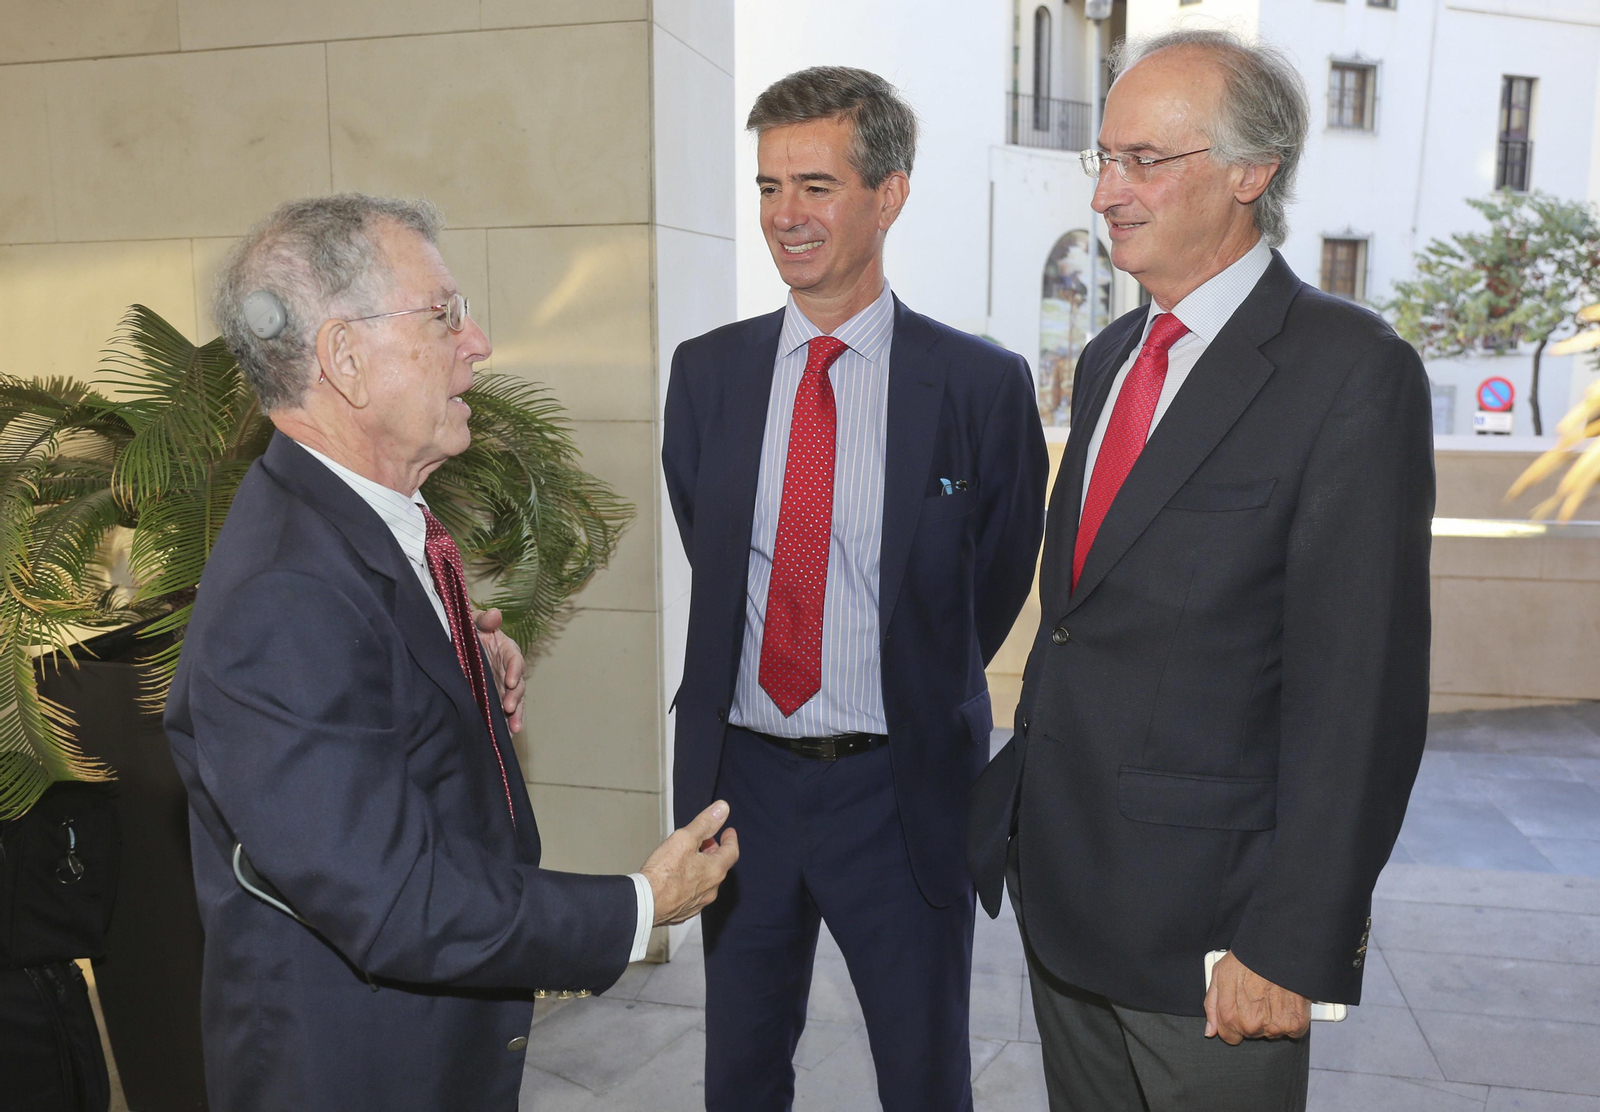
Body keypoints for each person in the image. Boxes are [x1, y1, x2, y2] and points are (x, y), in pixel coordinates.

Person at [163, 193, 738, 1112]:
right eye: (445, 314)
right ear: (345, 360)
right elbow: (394, 901)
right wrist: (639, 905)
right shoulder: (286, 596)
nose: (480, 344)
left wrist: (456, 670)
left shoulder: (361, 520)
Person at [966, 29, 1434, 1112]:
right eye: (1105, 160)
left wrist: (1291, 938)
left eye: (1145, 160)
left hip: (1216, 940)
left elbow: (1359, 692)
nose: (1108, 193)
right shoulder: (1110, 358)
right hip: (1066, 896)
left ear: (1248, 174)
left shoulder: (1352, 373)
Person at [663, 67, 1048, 1112]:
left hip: (899, 789)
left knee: (924, 1076)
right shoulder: (707, 374)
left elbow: (1000, 568)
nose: (784, 215)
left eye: (816, 186)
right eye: (768, 186)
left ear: (889, 193)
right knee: (738, 1071)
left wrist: (912, 677)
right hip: (741, 788)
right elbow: (716, 547)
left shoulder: (976, 383)